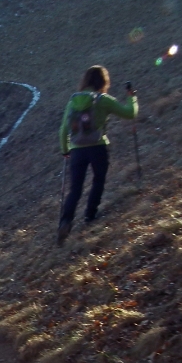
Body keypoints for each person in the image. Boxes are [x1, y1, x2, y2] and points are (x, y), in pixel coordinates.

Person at [57, 65, 138, 245]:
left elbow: (63, 130)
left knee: (75, 189)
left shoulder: (73, 101)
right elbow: (130, 113)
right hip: (98, 147)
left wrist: (65, 151)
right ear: (103, 81)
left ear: (85, 80)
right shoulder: (103, 100)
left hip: (77, 149)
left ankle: (66, 221)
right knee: (98, 180)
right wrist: (132, 98)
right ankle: (90, 215)